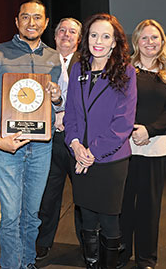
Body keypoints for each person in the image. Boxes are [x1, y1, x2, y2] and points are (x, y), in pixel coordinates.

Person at [0, 0, 66, 269]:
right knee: (11, 215)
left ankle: (27, 263)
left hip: (41, 147)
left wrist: (58, 98)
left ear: (46, 23)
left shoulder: (55, 57)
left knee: (32, 215)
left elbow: (63, 102)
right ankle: (11, 266)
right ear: (16, 21)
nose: (31, 23)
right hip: (7, 146)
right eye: (25, 17)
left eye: (37, 18)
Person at [63, 13, 137, 269]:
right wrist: (74, 145)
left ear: (115, 42)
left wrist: (91, 153)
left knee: (108, 220)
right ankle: (91, 265)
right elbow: (71, 113)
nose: (98, 41)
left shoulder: (126, 71)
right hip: (80, 155)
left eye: (106, 36)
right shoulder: (78, 68)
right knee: (87, 218)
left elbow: (123, 124)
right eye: (94, 34)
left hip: (109, 160)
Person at [120, 19, 166, 269]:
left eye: (154, 37)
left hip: (156, 147)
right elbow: (118, 105)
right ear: (136, 42)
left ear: (162, 41)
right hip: (126, 145)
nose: (149, 42)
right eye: (144, 38)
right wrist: (133, 131)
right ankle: (121, 254)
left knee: (150, 205)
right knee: (124, 203)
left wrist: (149, 130)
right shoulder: (126, 70)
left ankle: (146, 258)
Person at [36, 17, 82, 260]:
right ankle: (43, 242)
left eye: (72, 31)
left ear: (79, 38)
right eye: (62, 30)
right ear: (54, 37)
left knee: (83, 195)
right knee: (49, 195)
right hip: (50, 139)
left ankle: (87, 244)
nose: (66, 34)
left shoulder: (87, 63)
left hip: (78, 140)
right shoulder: (42, 61)